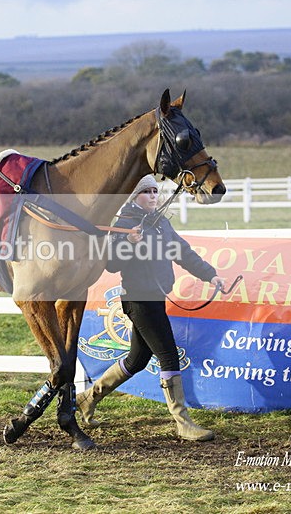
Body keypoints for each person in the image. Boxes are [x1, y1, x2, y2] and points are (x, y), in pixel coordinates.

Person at [76, 174, 226, 441]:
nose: (154, 196)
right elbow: (111, 264)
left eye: (156, 191)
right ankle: (182, 421)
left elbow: (183, 252)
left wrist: (210, 275)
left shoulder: (160, 224)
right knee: (169, 355)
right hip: (138, 300)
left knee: (137, 359)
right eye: (147, 192)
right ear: (134, 196)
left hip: (156, 297)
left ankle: (89, 397)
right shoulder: (125, 224)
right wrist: (129, 243)